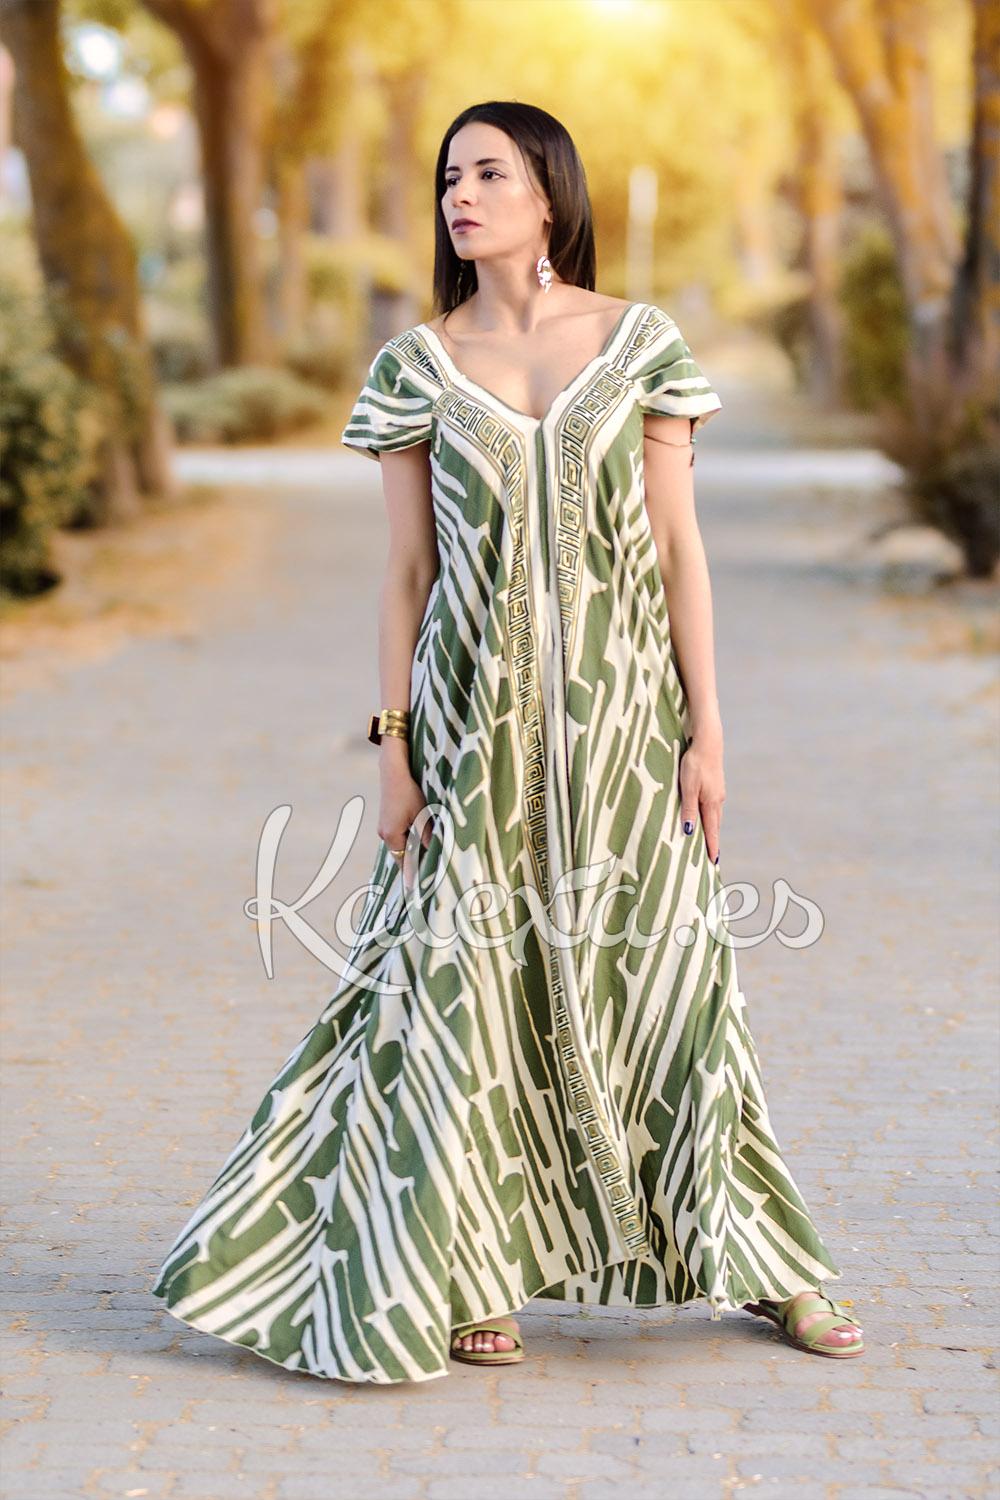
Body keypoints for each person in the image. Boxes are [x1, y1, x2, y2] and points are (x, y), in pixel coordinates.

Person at [150, 100, 863, 1383]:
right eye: (447, 177)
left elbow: (678, 549)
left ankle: (766, 1261)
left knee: (672, 983)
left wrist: (707, 729)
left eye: (488, 172)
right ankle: (469, 1264)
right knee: (462, 987)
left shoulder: (640, 345)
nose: (460, 196)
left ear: (548, 192)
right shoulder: (415, 367)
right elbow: (405, 571)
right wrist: (392, 748)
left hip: (627, 733)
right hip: (471, 731)